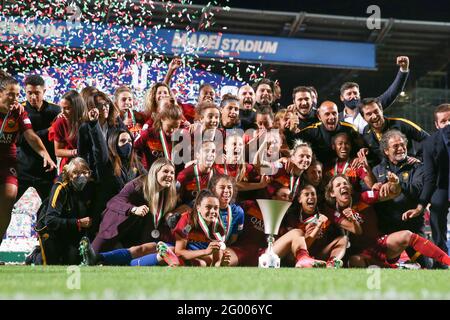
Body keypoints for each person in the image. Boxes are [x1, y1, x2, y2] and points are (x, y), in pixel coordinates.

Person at [0, 71, 56, 244]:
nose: (15, 99)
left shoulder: (19, 111)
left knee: (9, 195)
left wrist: (45, 155)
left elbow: (30, 135)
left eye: (17, 95)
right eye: (11, 94)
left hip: (7, 158)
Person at [79, 105, 146, 232]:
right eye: (123, 141)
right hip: (107, 217)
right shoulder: (106, 163)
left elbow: (149, 178)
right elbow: (99, 147)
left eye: (130, 141)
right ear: (114, 144)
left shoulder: (135, 163)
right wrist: (94, 125)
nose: (128, 144)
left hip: (129, 216)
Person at [92, 158, 177, 253]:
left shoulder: (167, 194)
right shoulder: (138, 184)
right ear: (155, 172)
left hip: (135, 235)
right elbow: (113, 202)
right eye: (165, 171)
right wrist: (133, 209)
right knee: (92, 259)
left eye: (172, 173)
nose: (169, 175)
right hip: (114, 226)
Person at [232, 185, 326, 268]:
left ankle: (304, 259)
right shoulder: (249, 205)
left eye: (289, 197)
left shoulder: (286, 220)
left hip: (265, 255)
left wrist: (313, 232)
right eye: (284, 196)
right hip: (241, 250)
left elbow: (289, 255)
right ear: (273, 197)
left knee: (297, 232)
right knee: (220, 262)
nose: (287, 199)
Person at [32, 157, 94, 265]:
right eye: (76, 173)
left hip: (71, 230)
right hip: (51, 230)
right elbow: (50, 221)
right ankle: (35, 256)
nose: (82, 176)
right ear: (69, 175)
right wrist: (78, 222)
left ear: (89, 174)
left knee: (72, 262)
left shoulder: (90, 188)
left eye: (85, 172)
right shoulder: (60, 188)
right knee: (51, 264)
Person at [16, 74, 60, 202]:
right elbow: (20, 140)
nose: (33, 97)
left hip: (46, 170)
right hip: (23, 169)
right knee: (5, 204)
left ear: (44, 91)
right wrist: (48, 131)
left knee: (51, 208)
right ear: (25, 92)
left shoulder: (56, 111)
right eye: (29, 93)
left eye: (37, 93)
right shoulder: (19, 110)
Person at [339, 56, 410, 134]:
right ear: (342, 98)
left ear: (359, 94)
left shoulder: (372, 107)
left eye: (355, 93)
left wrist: (403, 70)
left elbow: (393, 92)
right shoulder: (337, 118)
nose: (353, 96)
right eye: (349, 94)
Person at [282, 184, 347, 268]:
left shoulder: (323, 214)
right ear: (299, 199)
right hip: (297, 255)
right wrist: (314, 230)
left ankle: (332, 263)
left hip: (319, 255)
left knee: (344, 239)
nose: (311, 197)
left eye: (313, 194)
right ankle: (307, 261)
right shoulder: (292, 216)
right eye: (306, 194)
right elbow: (291, 248)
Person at [285, 101, 364, 165]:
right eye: (327, 114)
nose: (331, 117)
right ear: (319, 117)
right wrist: (290, 129)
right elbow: (290, 143)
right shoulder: (311, 131)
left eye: (334, 113)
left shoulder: (350, 129)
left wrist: (358, 157)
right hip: (321, 173)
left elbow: (361, 149)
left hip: (348, 169)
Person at [420, 104, 450, 268]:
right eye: (444, 121)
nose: (448, 124)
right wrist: (423, 202)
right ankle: (441, 260)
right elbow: (430, 176)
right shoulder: (430, 143)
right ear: (437, 125)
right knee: (436, 212)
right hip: (443, 185)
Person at [358, 97, 429, 166]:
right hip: (384, 176)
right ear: (364, 118)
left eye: (376, 111)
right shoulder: (366, 133)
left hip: (409, 171)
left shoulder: (401, 124)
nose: (374, 116)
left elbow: (429, 140)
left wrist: (419, 158)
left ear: (381, 110)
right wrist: (366, 152)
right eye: (369, 114)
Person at [172, 190, 232, 267]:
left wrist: (222, 263)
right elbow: (179, 252)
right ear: (198, 207)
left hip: (200, 256)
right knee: (201, 263)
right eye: (208, 207)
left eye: (216, 208)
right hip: (179, 251)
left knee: (204, 262)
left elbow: (215, 263)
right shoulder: (188, 220)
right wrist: (205, 252)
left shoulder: (218, 228)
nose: (213, 211)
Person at [78, 90, 126, 179]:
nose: (104, 108)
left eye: (106, 103)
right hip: (95, 174)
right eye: (99, 105)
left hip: (115, 171)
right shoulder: (84, 128)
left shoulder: (117, 123)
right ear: (91, 108)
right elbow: (83, 155)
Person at [134, 102, 183, 170]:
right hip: (149, 175)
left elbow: (181, 165)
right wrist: (141, 169)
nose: (172, 130)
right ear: (162, 119)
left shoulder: (180, 138)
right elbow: (133, 149)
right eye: (169, 126)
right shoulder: (147, 134)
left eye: (176, 127)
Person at [49, 90, 86, 171]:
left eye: (67, 108)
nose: (63, 112)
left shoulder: (88, 120)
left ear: (77, 108)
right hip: (70, 164)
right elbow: (57, 151)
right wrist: (75, 152)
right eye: (62, 108)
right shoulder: (60, 121)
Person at [176, 140, 216, 206]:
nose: (210, 154)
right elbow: (175, 198)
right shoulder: (184, 175)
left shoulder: (217, 174)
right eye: (206, 151)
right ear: (197, 155)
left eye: (213, 151)